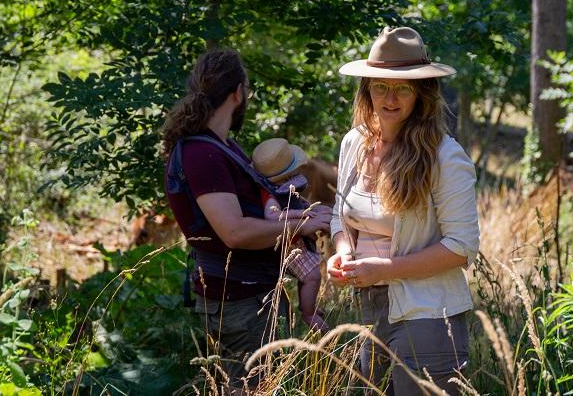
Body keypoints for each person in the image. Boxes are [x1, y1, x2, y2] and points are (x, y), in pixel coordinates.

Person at [161, 48, 331, 391]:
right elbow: (234, 232)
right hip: (239, 303)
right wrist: (302, 225)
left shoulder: (224, 147)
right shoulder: (202, 154)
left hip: (254, 297)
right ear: (238, 92)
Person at [327, 26, 480, 395]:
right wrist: (343, 253)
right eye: (380, 86)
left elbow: (462, 247)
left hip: (427, 313)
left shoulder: (445, 156)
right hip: (370, 307)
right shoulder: (355, 143)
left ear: (421, 93)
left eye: (403, 88)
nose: (390, 98)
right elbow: (339, 215)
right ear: (367, 89)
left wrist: (386, 269)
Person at [251, 137, 328, 332]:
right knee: (312, 276)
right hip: (289, 243)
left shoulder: (283, 187)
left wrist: (313, 210)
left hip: (295, 238)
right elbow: (273, 216)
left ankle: (309, 304)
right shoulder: (269, 195)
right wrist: (300, 215)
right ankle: (308, 312)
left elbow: (297, 202)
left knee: (312, 271)